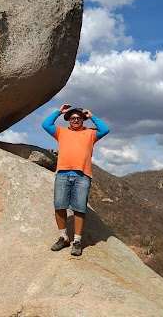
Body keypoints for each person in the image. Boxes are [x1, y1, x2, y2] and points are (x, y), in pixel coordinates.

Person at [41, 103, 110, 256]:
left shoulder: (91, 134)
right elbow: (45, 124)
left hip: (82, 175)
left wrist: (91, 115)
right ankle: (63, 237)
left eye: (79, 118)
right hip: (62, 174)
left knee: (79, 209)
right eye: (73, 118)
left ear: (83, 120)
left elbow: (105, 129)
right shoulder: (61, 132)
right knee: (59, 205)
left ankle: (77, 241)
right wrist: (59, 111)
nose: (76, 120)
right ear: (68, 120)